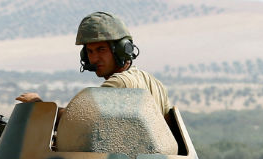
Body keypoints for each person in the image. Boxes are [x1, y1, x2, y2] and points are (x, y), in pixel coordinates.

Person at [16, 11, 171, 117]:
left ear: (121, 50)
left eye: (101, 49)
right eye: (90, 52)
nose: (94, 58)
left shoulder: (120, 83)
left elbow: (77, 120)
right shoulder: (155, 84)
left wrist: (38, 105)